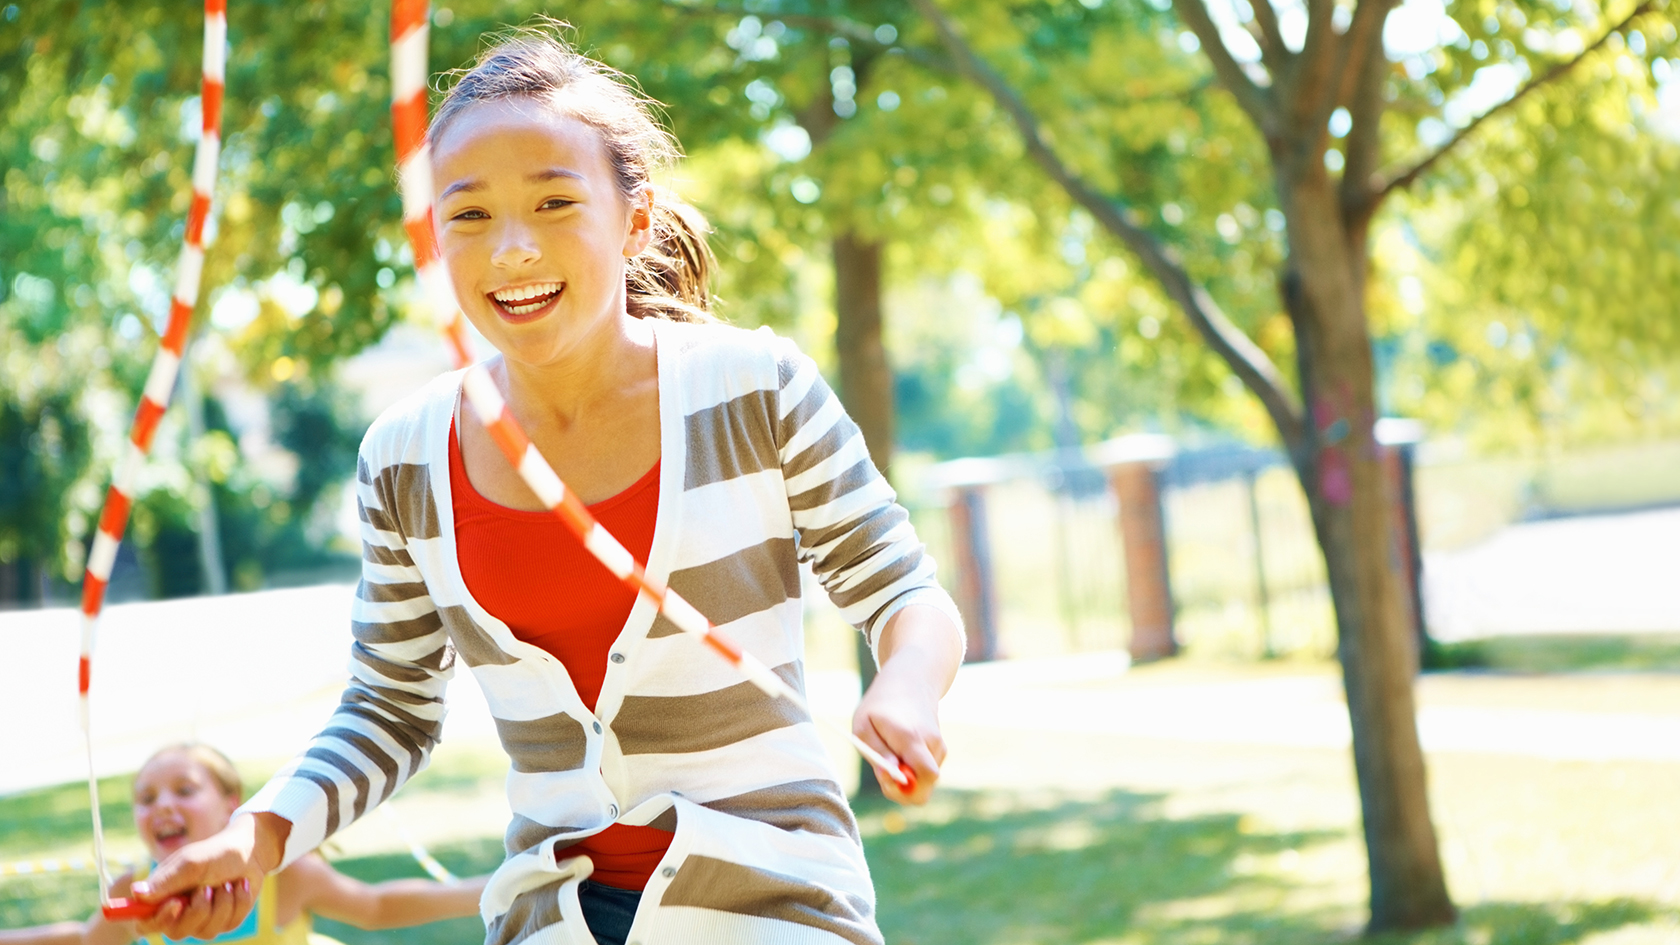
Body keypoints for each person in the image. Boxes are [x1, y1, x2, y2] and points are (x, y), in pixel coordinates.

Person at [133, 24, 966, 945]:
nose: (513, 250)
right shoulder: (406, 457)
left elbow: (906, 595)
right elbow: (389, 707)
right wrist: (256, 836)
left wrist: (907, 690)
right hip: (548, 915)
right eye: (471, 215)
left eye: (554, 202)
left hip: (776, 905)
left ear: (634, 218)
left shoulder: (753, 388)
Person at [0, 743, 487, 945]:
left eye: (185, 790)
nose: (162, 806)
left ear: (232, 803)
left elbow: (376, 906)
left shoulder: (285, 876)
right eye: (146, 798)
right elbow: (86, 938)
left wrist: (488, 891)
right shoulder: (140, 885)